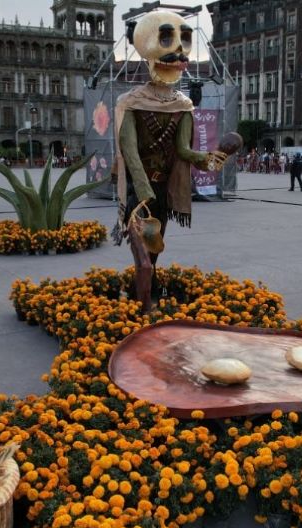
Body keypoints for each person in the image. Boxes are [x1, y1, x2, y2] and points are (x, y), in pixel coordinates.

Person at [111, 11, 227, 311]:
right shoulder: (130, 102)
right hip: (140, 194)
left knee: (155, 248)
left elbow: (184, 151)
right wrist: (141, 186)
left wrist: (207, 159)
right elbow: (129, 151)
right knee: (142, 254)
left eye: (181, 43)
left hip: (162, 191)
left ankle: (144, 293)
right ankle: (143, 302)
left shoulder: (183, 105)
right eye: (166, 40)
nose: (175, 54)